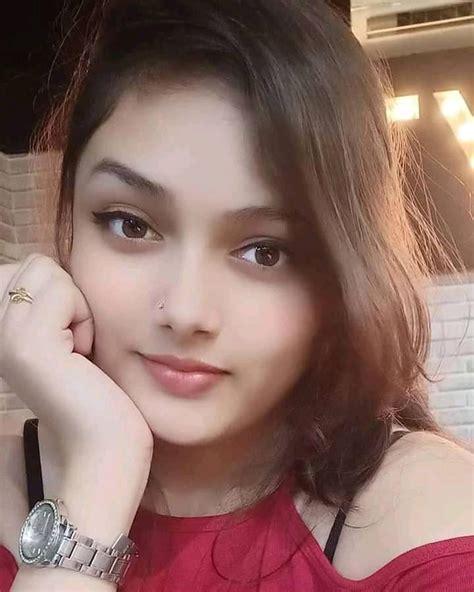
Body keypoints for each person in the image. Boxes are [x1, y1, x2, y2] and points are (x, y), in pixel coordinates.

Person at [0, 0, 473, 590]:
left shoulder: (426, 519)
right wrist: (100, 466)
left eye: (264, 252)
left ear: (339, 278)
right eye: (131, 224)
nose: (186, 312)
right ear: (68, 220)